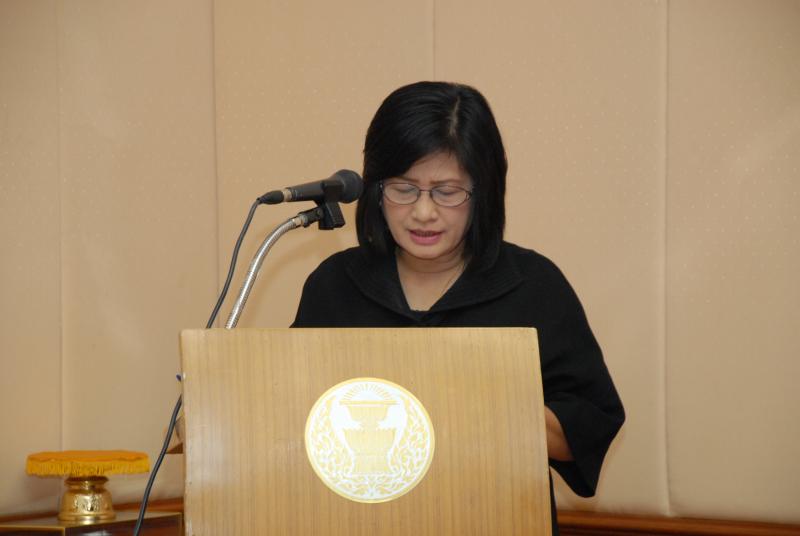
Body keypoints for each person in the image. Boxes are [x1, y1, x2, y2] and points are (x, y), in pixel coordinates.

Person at [292, 81, 624, 534]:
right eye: (404, 189)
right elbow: (295, 416)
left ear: (482, 192)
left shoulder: (534, 287)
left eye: (446, 192)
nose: (423, 212)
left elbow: (586, 428)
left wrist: (473, 402)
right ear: (375, 190)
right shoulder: (335, 285)